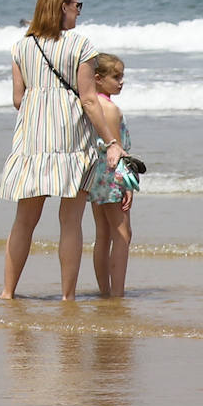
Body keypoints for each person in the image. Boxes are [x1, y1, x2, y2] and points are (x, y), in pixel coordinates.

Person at [0, 0, 120, 301]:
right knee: (71, 222)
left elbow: (17, 99)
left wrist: (42, 107)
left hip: (33, 137)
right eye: (77, 5)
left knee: (24, 220)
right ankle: (67, 297)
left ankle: (8, 292)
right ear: (62, 7)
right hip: (71, 138)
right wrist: (111, 141)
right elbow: (90, 100)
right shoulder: (80, 44)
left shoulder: (22, 46)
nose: (79, 11)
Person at [82, 53, 135, 297]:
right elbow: (118, 151)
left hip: (94, 176)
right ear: (98, 78)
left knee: (102, 234)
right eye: (116, 77)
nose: (121, 82)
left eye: (122, 76)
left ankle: (104, 290)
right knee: (123, 234)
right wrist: (127, 186)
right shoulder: (110, 109)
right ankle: (117, 293)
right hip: (112, 176)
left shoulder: (90, 105)